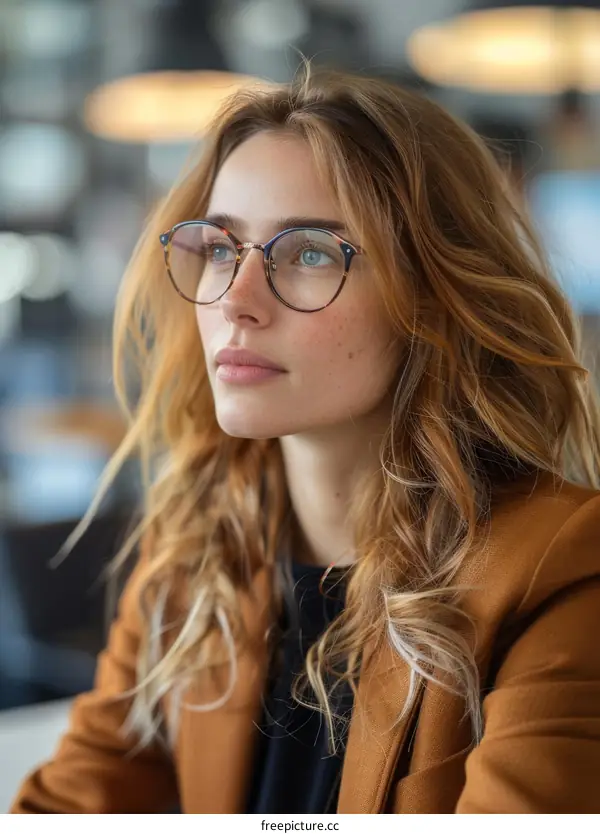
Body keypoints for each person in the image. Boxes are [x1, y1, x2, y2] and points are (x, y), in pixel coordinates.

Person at [10, 64, 600, 814]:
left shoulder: (562, 572)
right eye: (221, 248)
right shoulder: (198, 552)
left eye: (311, 252)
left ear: (436, 296)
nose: (236, 300)